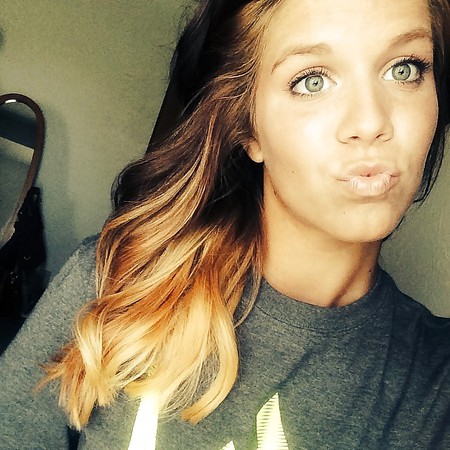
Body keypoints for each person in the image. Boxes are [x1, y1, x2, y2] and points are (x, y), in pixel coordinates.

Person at [1, 0, 449, 448]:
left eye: (404, 69)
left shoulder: (435, 384)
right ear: (249, 129)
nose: (370, 122)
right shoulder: (114, 286)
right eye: (312, 81)